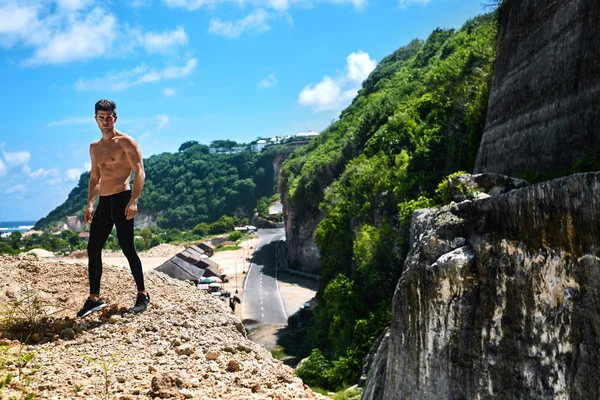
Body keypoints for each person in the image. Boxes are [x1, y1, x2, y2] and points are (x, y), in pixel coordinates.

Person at [76, 99, 150, 318]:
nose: (105, 121)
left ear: (115, 118)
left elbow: (140, 172)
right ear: (96, 119)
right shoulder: (94, 148)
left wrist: (134, 201)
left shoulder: (126, 142)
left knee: (127, 248)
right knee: (93, 248)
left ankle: (142, 294)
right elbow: (95, 177)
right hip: (104, 203)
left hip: (123, 200)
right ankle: (94, 299)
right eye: (101, 117)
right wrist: (90, 203)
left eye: (109, 117)